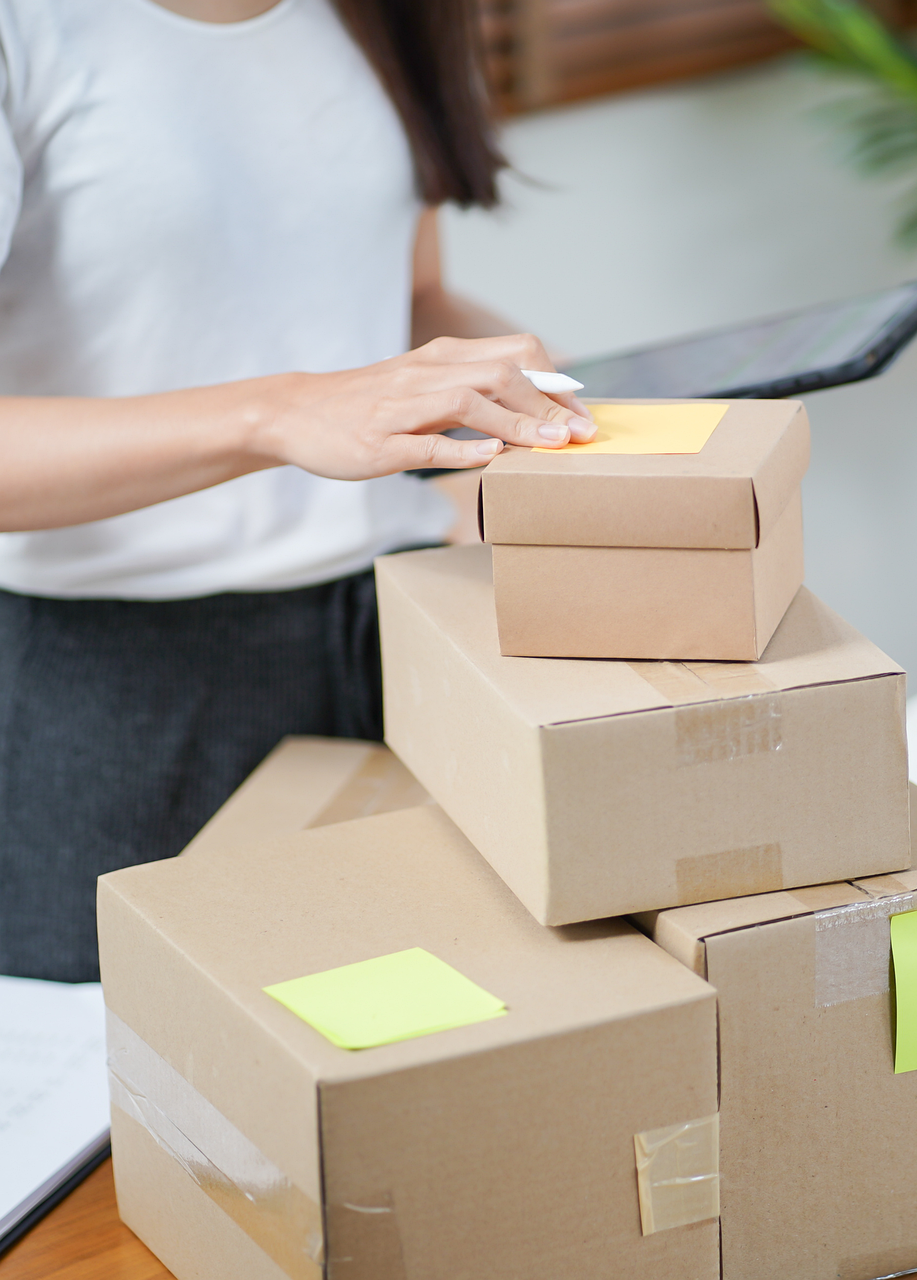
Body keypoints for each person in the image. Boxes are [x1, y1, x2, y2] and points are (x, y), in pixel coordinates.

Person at [0, 0, 595, 982]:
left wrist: (568, 402)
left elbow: (405, 300)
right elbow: (308, 394)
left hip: (394, 636)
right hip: (113, 695)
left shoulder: (378, 12)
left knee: (420, 1068)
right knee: (146, 1106)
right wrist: (273, 413)